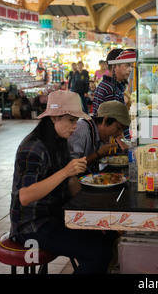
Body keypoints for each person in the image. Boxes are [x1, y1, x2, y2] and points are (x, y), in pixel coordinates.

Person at [9, 90, 118, 274]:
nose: (75, 126)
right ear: (53, 118)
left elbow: (71, 183)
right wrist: (65, 172)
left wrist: (94, 212)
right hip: (32, 225)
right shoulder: (33, 148)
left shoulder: (60, 142)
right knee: (98, 254)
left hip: (56, 215)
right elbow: (25, 197)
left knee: (109, 234)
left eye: (76, 121)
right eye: (71, 120)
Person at [68, 101, 131, 174]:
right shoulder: (81, 131)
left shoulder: (99, 133)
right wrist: (99, 154)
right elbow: (70, 167)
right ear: (105, 120)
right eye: (118, 128)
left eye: (122, 130)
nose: (119, 133)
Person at [93, 49, 135, 142]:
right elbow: (115, 125)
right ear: (114, 66)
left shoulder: (111, 86)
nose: (130, 69)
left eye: (131, 66)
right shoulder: (110, 89)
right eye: (127, 65)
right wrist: (125, 147)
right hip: (113, 148)